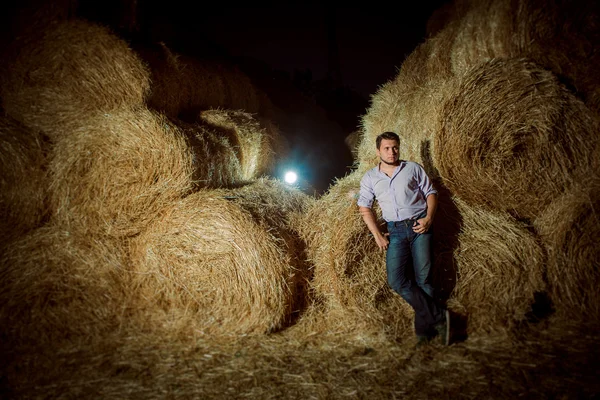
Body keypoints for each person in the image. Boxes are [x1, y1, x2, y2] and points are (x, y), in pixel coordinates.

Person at [357, 131, 450, 346]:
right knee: (396, 281)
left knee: (424, 280)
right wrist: (377, 235)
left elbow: (431, 193)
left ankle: (424, 334)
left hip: (419, 226)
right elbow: (364, 207)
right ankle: (438, 317)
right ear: (378, 150)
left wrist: (429, 218)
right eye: (387, 148)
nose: (392, 152)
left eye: (395, 147)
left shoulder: (413, 169)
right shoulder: (371, 177)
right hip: (396, 231)